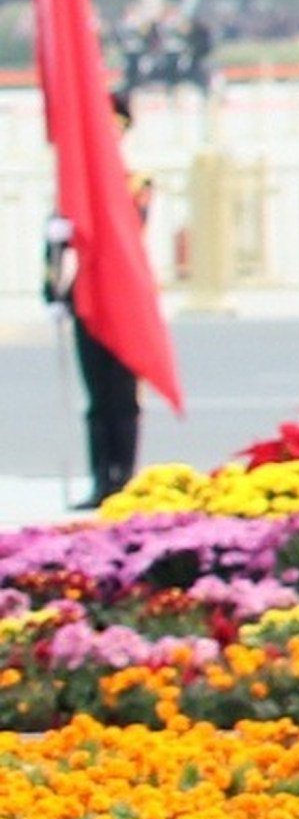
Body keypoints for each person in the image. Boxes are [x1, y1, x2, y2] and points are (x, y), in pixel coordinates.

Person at [42, 92, 150, 510]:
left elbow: (127, 230)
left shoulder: (136, 183)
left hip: (122, 300)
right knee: (97, 397)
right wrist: (52, 288)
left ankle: (125, 477)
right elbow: (54, 248)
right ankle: (100, 478)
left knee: (123, 396)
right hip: (86, 298)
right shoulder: (74, 190)